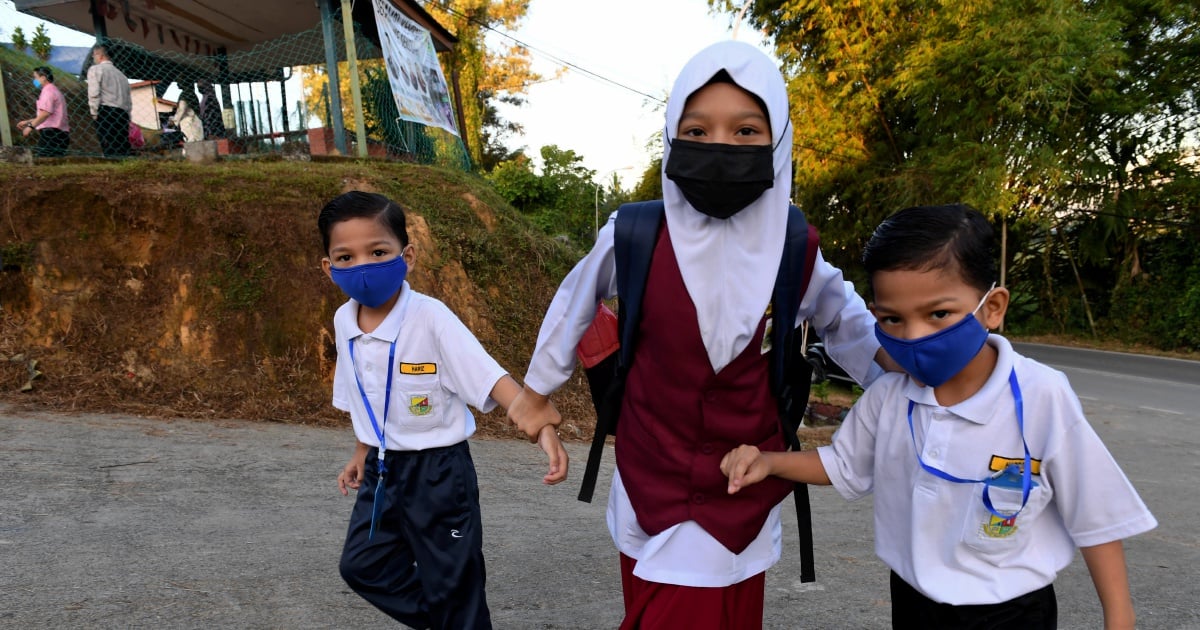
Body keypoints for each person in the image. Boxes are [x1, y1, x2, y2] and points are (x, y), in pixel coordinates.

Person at [507, 40, 891, 629]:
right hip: (652, 471)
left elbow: (849, 323)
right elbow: (575, 301)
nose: (720, 147)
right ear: (671, 134)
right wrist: (536, 395)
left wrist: (912, 379)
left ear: (779, 140)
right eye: (697, 129)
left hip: (746, 478)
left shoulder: (795, 247)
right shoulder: (634, 232)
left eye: (745, 132)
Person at [722, 204, 1158, 629]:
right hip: (914, 601)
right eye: (891, 319)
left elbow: (1094, 512)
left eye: (938, 314)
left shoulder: (1042, 395)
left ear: (992, 307)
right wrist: (771, 461)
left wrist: (1120, 616)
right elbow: (841, 465)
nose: (912, 336)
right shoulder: (889, 396)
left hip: (1010, 610)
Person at [319, 190, 569, 629]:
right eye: (346, 257)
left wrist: (539, 424)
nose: (362, 267)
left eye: (378, 252)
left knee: (453, 581)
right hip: (382, 471)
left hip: (438, 474)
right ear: (329, 267)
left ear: (406, 255)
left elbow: (487, 375)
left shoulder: (431, 317)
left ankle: (458, 618)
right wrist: (361, 451)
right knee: (362, 566)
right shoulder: (344, 321)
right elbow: (363, 391)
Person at [86, 44, 133, 157]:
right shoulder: (122, 76)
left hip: (106, 111)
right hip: (122, 113)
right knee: (122, 146)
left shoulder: (95, 69)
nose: (94, 58)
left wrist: (94, 112)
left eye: (94, 56)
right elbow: (128, 99)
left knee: (108, 146)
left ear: (99, 55)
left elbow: (94, 93)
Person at [17, 67, 70, 157]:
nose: (34, 80)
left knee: (43, 160)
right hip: (60, 133)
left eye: (35, 77)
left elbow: (45, 114)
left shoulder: (48, 92)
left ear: (43, 77)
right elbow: (50, 116)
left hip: (51, 134)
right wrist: (27, 122)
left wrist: (29, 127)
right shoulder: (55, 90)